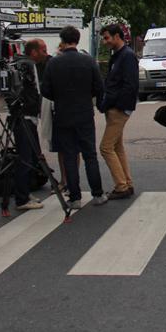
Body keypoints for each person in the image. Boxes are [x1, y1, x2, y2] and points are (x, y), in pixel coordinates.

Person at [41, 26, 108, 209]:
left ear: (62, 41)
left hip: (63, 114)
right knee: (90, 155)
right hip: (84, 113)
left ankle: (75, 197)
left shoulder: (54, 63)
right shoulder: (88, 61)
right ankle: (98, 194)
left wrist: (60, 97)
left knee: (70, 156)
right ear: (77, 40)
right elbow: (99, 87)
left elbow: (45, 90)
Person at [97, 23, 139, 200]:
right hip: (117, 106)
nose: (105, 42)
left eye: (107, 38)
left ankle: (121, 186)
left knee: (105, 147)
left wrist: (114, 104)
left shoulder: (126, 56)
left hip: (118, 108)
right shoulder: (120, 55)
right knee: (116, 147)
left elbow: (129, 85)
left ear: (117, 36)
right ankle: (126, 183)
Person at [10, 39, 49, 211]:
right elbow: (29, 91)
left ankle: (24, 192)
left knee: (31, 156)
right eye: (43, 50)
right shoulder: (27, 65)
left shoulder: (23, 64)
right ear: (33, 52)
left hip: (27, 116)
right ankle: (21, 198)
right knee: (25, 158)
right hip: (25, 117)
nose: (45, 53)